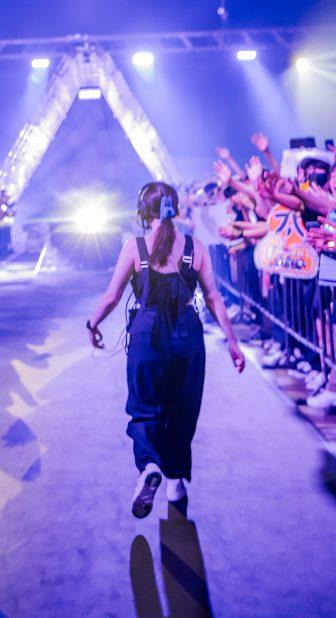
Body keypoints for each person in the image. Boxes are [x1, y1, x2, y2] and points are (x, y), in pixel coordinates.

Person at [87, 182, 245, 519]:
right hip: (187, 336)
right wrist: (233, 344)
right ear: (176, 209)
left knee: (144, 408)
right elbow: (214, 298)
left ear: (144, 213)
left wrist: (93, 324)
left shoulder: (134, 247)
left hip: (146, 334)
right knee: (182, 409)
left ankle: (149, 467)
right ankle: (175, 481)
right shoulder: (194, 247)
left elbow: (112, 296)